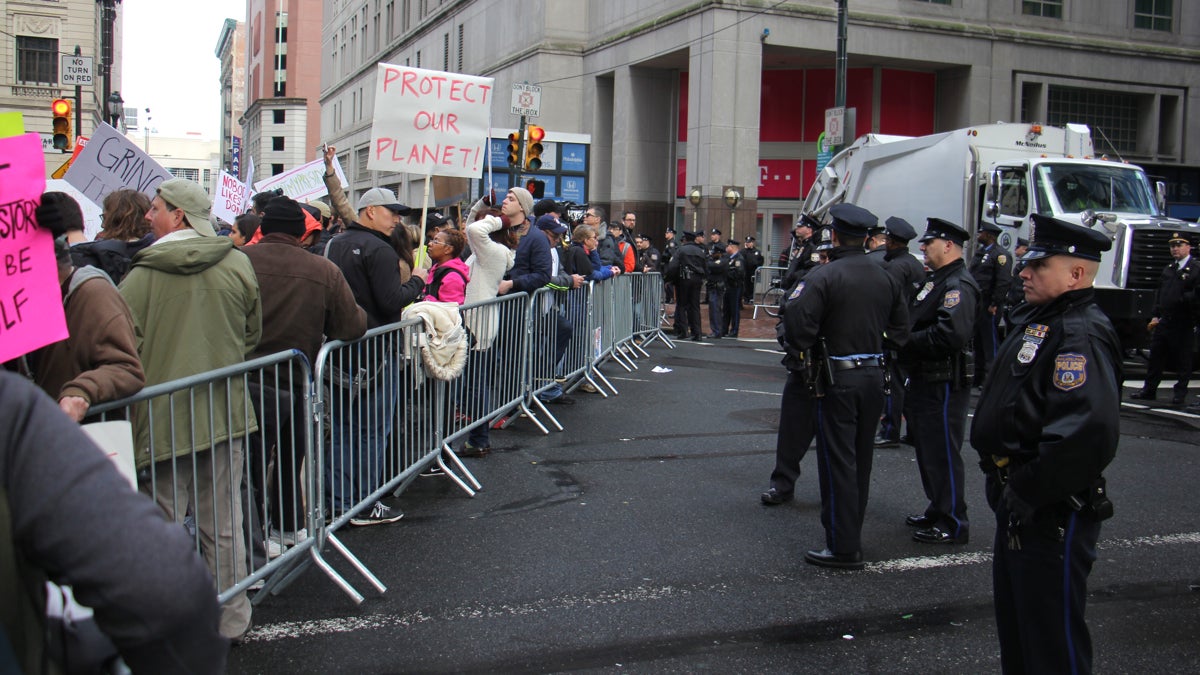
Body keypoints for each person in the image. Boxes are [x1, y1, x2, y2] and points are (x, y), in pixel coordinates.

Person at [970, 213, 1120, 674]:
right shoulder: (1045, 319)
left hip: (1047, 507)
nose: (1024, 272)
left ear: (1076, 273)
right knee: (1021, 633)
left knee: (1051, 640)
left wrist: (1026, 490)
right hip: (1020, 500)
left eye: (1039, 265)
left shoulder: (1079, 332)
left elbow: (1085, 432)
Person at [1, 372, 228, 673]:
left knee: (210, 514)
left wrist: (81, 389)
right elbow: (166, 590)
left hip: (171, 422)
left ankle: (234, 615)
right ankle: (233, 616)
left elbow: (127, 365)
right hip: (178, 422)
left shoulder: (12, 412)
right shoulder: (10, 409)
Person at [118, 177, 262, 642]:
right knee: (223, 523)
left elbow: (124, 350)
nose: (147, 214)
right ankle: (231, 620)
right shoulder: (237, 264)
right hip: (223, 412)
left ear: (178, 215)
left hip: (161, 420)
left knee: (157, 527)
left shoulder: (138, 277)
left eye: (156, 207)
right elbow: (250, 335)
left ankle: (159, 625)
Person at [781, 203, 909, 570]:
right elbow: (901, 330)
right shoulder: (886, 275)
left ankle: (842, 544)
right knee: (861, 460)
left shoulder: (825, 276)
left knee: (837, 460)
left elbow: (797, 323)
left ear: (834, 235)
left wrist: (813, 345)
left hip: (837, 375)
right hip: (873, 373)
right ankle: (849, 533)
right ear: (868, 238)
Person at [241, 195, 366, 547]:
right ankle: (284, 528)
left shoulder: (237, 261)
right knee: (289, 458)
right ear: (301, 233)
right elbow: (352, 326)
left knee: (247, 468)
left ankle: (251, 544)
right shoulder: (322, 270)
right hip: (296, 380)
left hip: (243, 380)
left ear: (262, 228)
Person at [323, 186, 427, 526]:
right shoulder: (379, 250)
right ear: (370, 211)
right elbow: (391, 299)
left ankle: (340, 501)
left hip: (340, 350)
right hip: (376, 350)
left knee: (341, 429)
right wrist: (418, 281)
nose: (396, 218)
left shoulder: (334, 244)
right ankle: (364, 503)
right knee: (370, 430)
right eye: (391, 211)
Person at [898, 218, 979, 545]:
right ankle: (938, 507)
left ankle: (953, 521)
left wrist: (906, 340)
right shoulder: (939, 279)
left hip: (943, 380)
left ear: (948, 245)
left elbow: (950, 334)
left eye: (929, 242)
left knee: (942, 450)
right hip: (925, 377)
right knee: (928, 449)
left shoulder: (958, 284)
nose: (922, 247)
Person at [13, 229, 144, 422]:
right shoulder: (32, 306)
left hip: (90, 437)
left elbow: (127, 368)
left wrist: (81, 391)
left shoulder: (94, 295)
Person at [457, 204, 519, 456]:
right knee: (473, 383)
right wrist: (481, 205)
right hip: (474, 321)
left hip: (477, 324)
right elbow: (469, 227)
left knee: (475, 385)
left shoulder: (493, 251)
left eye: (489, 221)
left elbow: (473, 229)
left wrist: (500, 218)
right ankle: (478, 436)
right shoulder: (484, 250)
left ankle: (479, 439)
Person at [1130, 232, 1199, 405]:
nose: (1175, 249)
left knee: (1183, 359)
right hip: (1165, 320)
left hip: (1184, 320)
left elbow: (1197, 294)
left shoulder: (1196, 268)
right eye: (1172, 246)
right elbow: (1160, 293)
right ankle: (1149, 390)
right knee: (1156, 356)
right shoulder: (1169, 268)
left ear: (1188, 247)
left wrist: (1181, 301)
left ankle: (1180, 393)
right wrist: (1155, 314)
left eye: (1179, 245)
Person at [875, 216, 926, 448]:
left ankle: (889, 431)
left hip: (895, 333)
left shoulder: (894, 267)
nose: (885, 244)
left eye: (887, 240)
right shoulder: (914, 263)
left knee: (892, 385)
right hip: (913, 331)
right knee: (908, 385)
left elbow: (888, 302)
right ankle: (914, 431)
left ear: (894, 241)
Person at [68, 189, 155, 285]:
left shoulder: (89, 256)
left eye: (105, 218)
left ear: (116, 219)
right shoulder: (156, 257)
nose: (102, 225)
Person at [970, 221, 1014, 386]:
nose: (978, 235)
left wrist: (995, 302)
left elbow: (1003, 281)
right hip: (978, 303)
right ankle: (978, 377)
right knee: (978, 342)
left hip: (990, 303)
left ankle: (991, 379)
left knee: (990, 343)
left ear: (989, 235)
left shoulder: (1000, 255)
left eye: (981, 232)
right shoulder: (981, 253)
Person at [664, 231, 707, 341]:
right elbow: (706, 267)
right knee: (695, 306)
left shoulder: (681, 250)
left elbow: (673, 266)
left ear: (685, 239)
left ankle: (683, 331)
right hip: (697, 280)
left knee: (682, 306)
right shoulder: (700, 251)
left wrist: (668, 279)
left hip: (684, 280)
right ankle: (697, 333)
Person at [424, 228, 471, 304]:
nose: (430, 244)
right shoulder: (435, 269)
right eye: (432, 240)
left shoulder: (453, 277)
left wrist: (426, 301)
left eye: (436, 241)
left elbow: (449, 310)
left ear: (448, 249)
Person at [721, 240, 744, 337]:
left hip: (735, 286)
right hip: (728, 286)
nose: (727, 248)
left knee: (734, 309)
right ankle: (724, 329)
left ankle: (734, 330)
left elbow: (739, 273)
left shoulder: (739, 259)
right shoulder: (729, 258)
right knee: (726, 309)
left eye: (728, 246)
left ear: (733, 247)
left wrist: (727, 273)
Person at [705, 240, 727, 338]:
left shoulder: (723, 261)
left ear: (719, 253)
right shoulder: (715, 260)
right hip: (713, 287)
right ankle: (715, 329)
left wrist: (709, 260)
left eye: (715, 253)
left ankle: (717, 330)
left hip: (717, 287)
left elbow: (712, 266)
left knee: (715, 309)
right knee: (713, 309)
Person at [742, 236, 764, 305]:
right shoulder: (743, 251)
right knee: (745, 285)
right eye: (747, 242)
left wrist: (758, 267)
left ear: (752, 243)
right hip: (745, 270)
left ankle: (751, 298)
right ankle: (746, 298)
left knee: (752, 285)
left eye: (749, 242)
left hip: (753, 271)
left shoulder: (757, 252)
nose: (748, 244)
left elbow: (761, 260)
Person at [662, 227, 678, 304]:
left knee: (669, 282)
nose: (665, 234)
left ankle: (671, 297)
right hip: (666, 264)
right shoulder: (668, 242)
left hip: (669, 264)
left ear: (671, 234)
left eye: (667, 233)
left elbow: (672, 255)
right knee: (666, 282)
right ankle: (668, 298)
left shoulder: (672, 243)